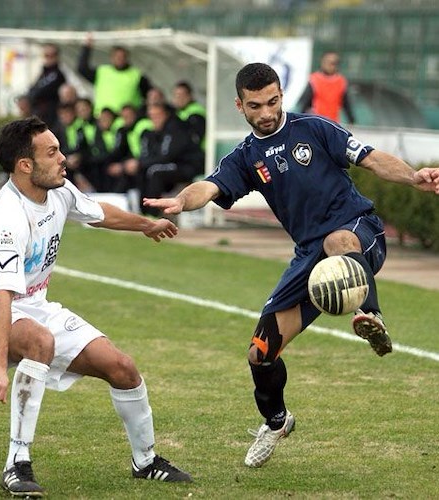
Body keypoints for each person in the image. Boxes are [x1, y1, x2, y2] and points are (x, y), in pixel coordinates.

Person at [144, 63, 439, 469]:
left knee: (339, 241)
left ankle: (370, 315)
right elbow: (209, 186)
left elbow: (368, 159)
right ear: (240, 106)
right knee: (260, 353)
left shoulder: (315, 129)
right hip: (307, 257)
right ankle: (277, 421)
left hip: (357, 229)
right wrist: (182, 200)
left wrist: (413, 177)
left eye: (272, 101)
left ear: (282, 95)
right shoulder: (246, 157)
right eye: (255, 106)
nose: (266, 112)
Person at [0, 116, 192, 497]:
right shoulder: (8, 218)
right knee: (39, 341)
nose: (63, 158)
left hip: (35, 305)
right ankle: (16, 464)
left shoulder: (59, 190)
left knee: (123, 368)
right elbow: (1, 296)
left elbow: (98, 214)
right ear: (25, 166)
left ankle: (146, 461)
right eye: (52, 152)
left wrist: (145, 225)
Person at [139, 102, 205, 216]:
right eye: (151, 116)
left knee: (154, 172)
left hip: (188, 166)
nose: (154, 120)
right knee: (142, 170)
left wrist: (141, 163)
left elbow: (167, 155)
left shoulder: (174, 128)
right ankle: (143, 211)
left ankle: (152, 213)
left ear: (165, 114)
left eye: (157, 116)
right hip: (174, 164)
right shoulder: (155, 132)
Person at [77, 34, 152, 116]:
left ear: (127, 58)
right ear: (111, 58)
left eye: (122, 57)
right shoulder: (102, 72)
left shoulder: (136, 75)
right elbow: (82, 69)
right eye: (116, 57)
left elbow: (149, 96)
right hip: (103, 119)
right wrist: (87, 47)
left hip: (125, 120)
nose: (119, 59)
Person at [298, 51, 355, 124]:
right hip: (317, 121)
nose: (329, 65)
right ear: (322, 63)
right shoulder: (314, 80)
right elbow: (305, 103)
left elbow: (346, 104)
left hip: (333, 123)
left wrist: (351, 121)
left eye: (333, 63)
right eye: (327, 62)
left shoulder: (341, 82)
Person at [27, 43, 66, 130]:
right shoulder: (43, 74)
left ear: (57, 56)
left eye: (51, 55)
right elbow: (31, 92)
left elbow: (37, 93)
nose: (48, 58)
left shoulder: (57, 75)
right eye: (46, 55)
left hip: (51, 118)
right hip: (39, 116)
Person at [172, 80, 206, 150]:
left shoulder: (196, 112)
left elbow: (194, 138)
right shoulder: (179, 112)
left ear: (190, 96)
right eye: (177, 95)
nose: (179, 99)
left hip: (198, 154)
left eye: (182, 95)